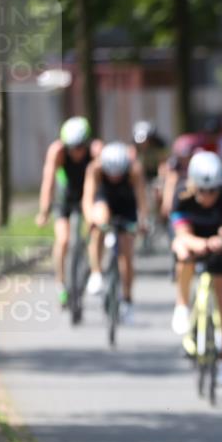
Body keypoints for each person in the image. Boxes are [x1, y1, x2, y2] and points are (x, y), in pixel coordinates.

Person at [170, 151, 222, 386]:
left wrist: (217, 243)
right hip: (192, 238)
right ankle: (181, 305)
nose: (208, 196)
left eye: (213, 191)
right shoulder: (181, 193)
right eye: (203, 191)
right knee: (182, 253)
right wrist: (198, 244)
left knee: (220, 294)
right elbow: (181, 232)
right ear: (193, 185)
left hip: (217, 243)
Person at [35, 116, 102, 306]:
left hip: (87, 197)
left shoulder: (96, 150)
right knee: (63, 240)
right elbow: (48, 182)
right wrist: (44, 211)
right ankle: (61, 283)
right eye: (73, 147)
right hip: (65, 199)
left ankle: (93, 267)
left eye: (81, 147)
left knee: (95, 230)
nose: (77, 152)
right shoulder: (57, 152)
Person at [82, 142, 148, 324]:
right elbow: (88, 198)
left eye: (119, 173)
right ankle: (96, 272)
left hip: (127, 205)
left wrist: (143, 222)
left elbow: (142, 199)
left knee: (126, 256)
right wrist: (90, 219)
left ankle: (127, 299)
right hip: (104, 200)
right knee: (99, 222)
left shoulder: (134, 170)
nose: (115, 177)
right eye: (111, 173)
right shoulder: (95, 168)